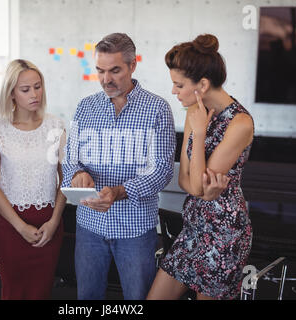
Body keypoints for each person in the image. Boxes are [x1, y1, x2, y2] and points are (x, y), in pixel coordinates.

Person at [61, 33, 176, 300]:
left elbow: (161, 170)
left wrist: (120, 191)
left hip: (135, 230)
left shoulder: (158, 109)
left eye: (115, 70)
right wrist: (78, 173)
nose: (105, 79)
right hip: (89, 227)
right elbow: (69, 158)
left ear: (132, 65)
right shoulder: (85, 107)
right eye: (100, 70)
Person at [147, 34, 254, 300]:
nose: (173, 91)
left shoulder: (240, 123)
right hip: (193, 227)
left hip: (224, 234)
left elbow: (195, 184)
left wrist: (200, 131)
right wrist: (200, 188)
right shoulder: (195, 113)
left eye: (178, 84)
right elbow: (185, 181)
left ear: (202, 84)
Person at [0, 59, 66, 299]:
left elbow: (67, 180)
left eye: (38, 86)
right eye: (25, 89)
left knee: (40, 293)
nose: (35, 94)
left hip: (48, 227)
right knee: (12, 293)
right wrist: (20, 227)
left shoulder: (56, 126)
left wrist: (53, 223)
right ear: (11, 93)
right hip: (11, 229)